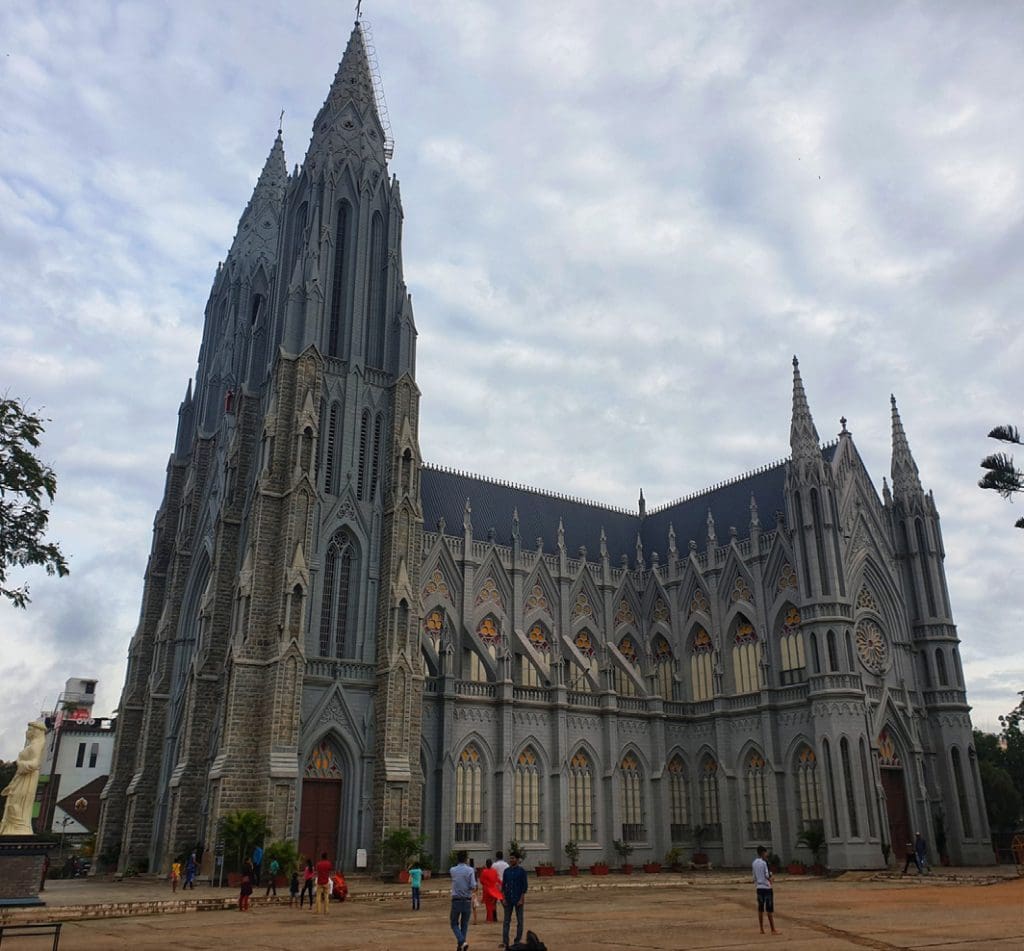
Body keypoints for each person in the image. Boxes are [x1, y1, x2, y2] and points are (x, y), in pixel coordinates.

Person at [0, 721, 47, 836]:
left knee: (17, 803)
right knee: (13, 800)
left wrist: (19, 763)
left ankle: (18, 828)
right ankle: (11, 828)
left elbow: (35, 764)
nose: (27, 732)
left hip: (27, 777)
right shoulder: (33, 744)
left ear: (36, 731)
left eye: (30, 729)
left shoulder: (37, 744)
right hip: (22, 777)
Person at [449, 849, 476, 951]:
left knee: (454, 923)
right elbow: (473, 885)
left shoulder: (452, 870)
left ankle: (461, 942)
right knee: (464, 924)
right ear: (466, 859)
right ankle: (461, 943)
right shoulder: (470, 870)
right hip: (467, 899)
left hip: (456, 900)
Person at [501, 852, 528, 949]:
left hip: (518, 899)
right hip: (508, 899)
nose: (511, 860)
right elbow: (503, 886)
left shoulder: (522, 872)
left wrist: (521, 899)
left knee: (519, 921)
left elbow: (524, 887)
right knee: (506, 921)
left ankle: (517, 941)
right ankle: (505, 942)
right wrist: (503, 898)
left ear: (517, 859)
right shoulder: (506, 871)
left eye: (513, 858)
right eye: (510, 858)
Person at [752, 845, 779, 936]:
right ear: (763, 853)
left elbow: (754, 876)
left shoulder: (754, 863)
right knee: (769, 909)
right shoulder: (764, 863)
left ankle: (761, 929)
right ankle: (773, 929)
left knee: (760, 908)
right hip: (766, 888)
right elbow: (767, 874)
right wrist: (771, 879)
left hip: (759, 888)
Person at [479, 858, 502, 923]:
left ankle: (489, 918)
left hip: (487, 890)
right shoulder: (494, 871)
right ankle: (494, 918)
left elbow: (481, 881)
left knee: (488, 905)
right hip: (494, 889)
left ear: (486, 864)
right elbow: (497, 879)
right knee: (493, 904)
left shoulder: (484, 871)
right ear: (491, 864)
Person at [468, 857, 479, 924]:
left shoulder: (468, 870)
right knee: (474, 906)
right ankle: (475, 920)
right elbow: (476, 880)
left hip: (469, 889)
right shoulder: (474, 870)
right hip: (474, 889)